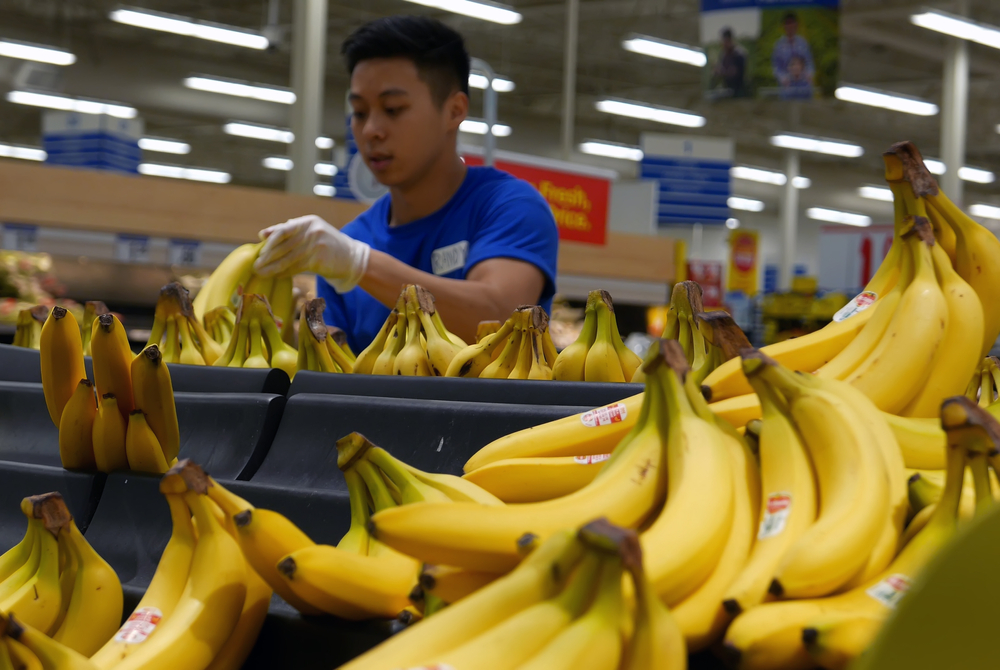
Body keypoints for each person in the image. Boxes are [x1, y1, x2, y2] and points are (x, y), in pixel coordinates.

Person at [252, 16, 559, 351]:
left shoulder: (509, 207)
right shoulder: (348, 244)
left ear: (454, 111)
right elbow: (335, 379)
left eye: (393, 109)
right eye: (358, 112)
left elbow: (501, 321)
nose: (371, 130)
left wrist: (360, 264)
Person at [771, 12, 814, 90]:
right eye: (787, 24)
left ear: (796, 25)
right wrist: (782, 78)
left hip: (803, 83)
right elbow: (776, 67)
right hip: (786, 84)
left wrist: (809, 75)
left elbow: (809, 62)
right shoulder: (779, 45)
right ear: (783, 26)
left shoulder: (803, 43)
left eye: (792, 23)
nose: (790, 26)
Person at [712, 28, 747, 97]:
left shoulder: (739, 53)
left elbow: (734, 73)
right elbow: (721, 67)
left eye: (725, 41)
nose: (723, 44)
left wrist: (721, 72)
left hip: (738, 91)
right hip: (727, 89)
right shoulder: (724, 54)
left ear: (730, 40)